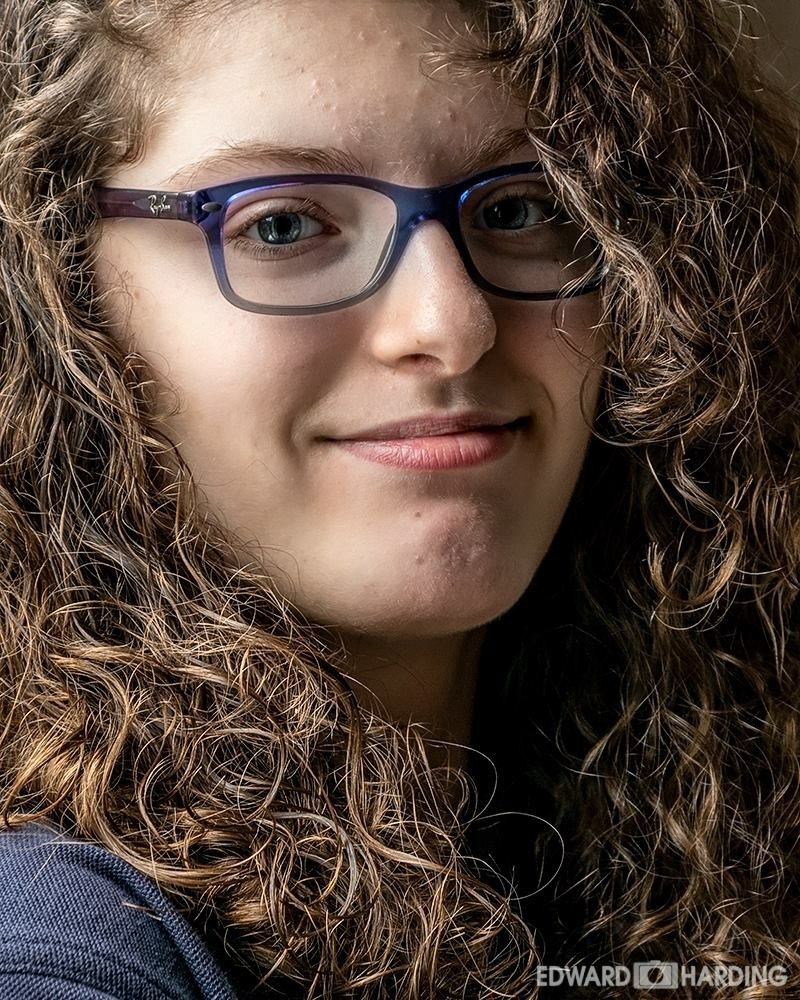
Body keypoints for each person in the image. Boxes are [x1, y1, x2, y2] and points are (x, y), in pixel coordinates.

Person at [0, 0, 798, 997]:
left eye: (520, 207)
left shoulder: (675, 832)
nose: (453, 323)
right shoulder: (58, 955)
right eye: (282, 223)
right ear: (58, 301)